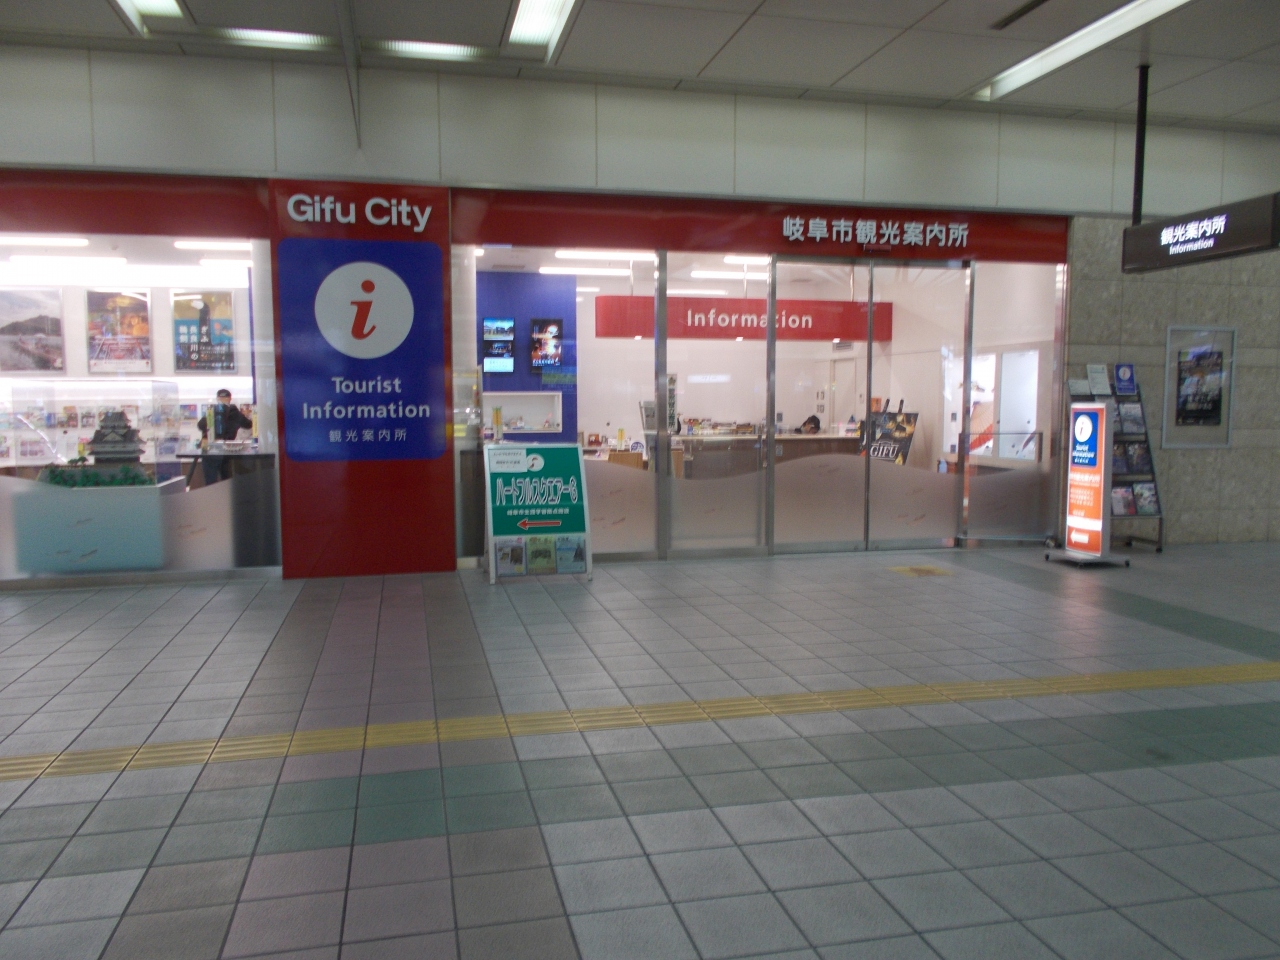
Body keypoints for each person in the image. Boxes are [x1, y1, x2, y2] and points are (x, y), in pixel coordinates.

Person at [198, 389, 253, 486]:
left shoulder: (212, 410)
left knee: (210, 483)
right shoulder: (236, 413)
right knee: (227, 482)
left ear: (217, 399)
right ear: (230, 399)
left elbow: (201, 425)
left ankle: (213, 496)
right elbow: (248, 424)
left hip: (210, 449)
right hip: (226, 450)